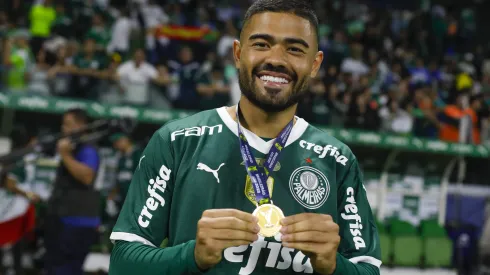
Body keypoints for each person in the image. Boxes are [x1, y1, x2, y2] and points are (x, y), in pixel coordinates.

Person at [109, 0, 381, 274]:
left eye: (295, 49)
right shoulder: (177, 141)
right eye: (261, 44)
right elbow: (123, 264)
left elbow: (368, 270)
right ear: (238, 54)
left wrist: (334, 265)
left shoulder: (337, 160)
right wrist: (192, 255)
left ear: (315, 64)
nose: (275, 59)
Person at [45, 108, 101, 275]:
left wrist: (65, 155)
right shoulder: (74, 148)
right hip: (64, 219)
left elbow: (87, 176)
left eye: (68, 125)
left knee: (66, 270)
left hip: (77, 222)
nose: (63, 129)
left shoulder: (87, 149)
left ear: (82, 126)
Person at [107, 133, 143, 210]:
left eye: (118, 141)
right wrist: (111, 197)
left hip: (136, 198)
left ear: (126, 140)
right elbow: (118, 179)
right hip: (123, 198)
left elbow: (143, 177)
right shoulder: (121, 157)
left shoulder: (138, 154)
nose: (116, 144)